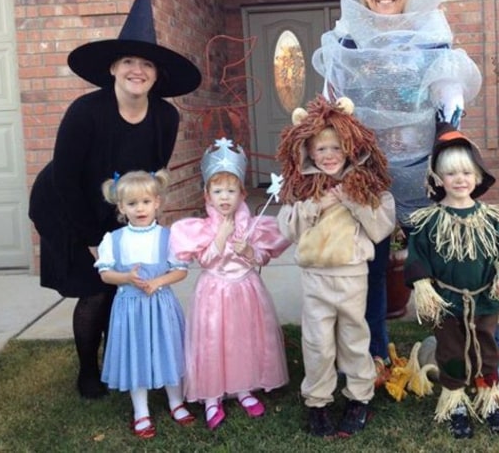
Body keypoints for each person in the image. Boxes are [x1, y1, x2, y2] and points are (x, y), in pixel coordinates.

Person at [312, 0, 482, 379]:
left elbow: (447, 89)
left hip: (422, 172)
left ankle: (466, 355)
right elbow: (332, 102)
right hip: (365, 174)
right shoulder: (347, 40)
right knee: (368, 269)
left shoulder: (428, 35)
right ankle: (371, 355)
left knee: (450, 262)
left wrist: (450, 135)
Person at [28, 0, 201, 399]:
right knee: (94, 290)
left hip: (119, 207)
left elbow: (154, 175)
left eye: (146, 64)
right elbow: (66, 179)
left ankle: (120, 357)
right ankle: (89, 371)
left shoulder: (164, 116)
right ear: (112, 68)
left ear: (156, 75)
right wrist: (92, 240)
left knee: (122, 286)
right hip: (65, 205)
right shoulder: (85, 113)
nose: (136, 70)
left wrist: (144, 225)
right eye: (127, 61)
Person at [276, 96, 396, 438]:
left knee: (354, 339)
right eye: (320, 149)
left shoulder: (364, 185)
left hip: (352, 275)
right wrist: (315, 205)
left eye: (335, 148)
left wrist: (351, 201)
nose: (328, 156)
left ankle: (359, 397)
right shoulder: (302, 186)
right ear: (308, 152)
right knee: (317, 343)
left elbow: (380, 227)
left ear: (350, 147)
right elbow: (287, 228)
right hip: (316, 278)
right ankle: (318, 402)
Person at [404, 124, 499, 439]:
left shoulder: (493, 219)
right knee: (451, 350)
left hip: (485, 299)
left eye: (467, 173)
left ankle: (490, 401)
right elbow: (417, 258)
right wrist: (424, 287)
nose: (460, 180)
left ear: (478, 177)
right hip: (447, 301)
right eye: (452, 174)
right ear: (439, 179)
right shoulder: (427, 222)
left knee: (487, 348)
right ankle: (456, 402)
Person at [168, 138, 291, 430]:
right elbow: (207, 261)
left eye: (231, 190)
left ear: (241, 194)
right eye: (218, 190)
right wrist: (221, 237)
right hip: (215, 292)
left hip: (245, 289)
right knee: (214, 340)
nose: (225, 197)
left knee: (243, 338)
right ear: (207, 195)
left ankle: (243, 387)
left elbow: (262, 257)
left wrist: (249, 251)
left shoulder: (252, 225)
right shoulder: (202, 228)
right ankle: (212, 396)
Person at [95, 170, 192, 438]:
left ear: (157, 202)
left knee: (168, 349)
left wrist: (158, 281)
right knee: (135, 353)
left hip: (161, 305)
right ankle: (141, 411)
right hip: (130, 308)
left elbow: (181, 270)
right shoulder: (114, 240)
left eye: (146, 202)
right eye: (132, 203)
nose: (140, 209)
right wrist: (125, 277)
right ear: (121, 207)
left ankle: (176, 401)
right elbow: (105, 274)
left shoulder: (167, 236)